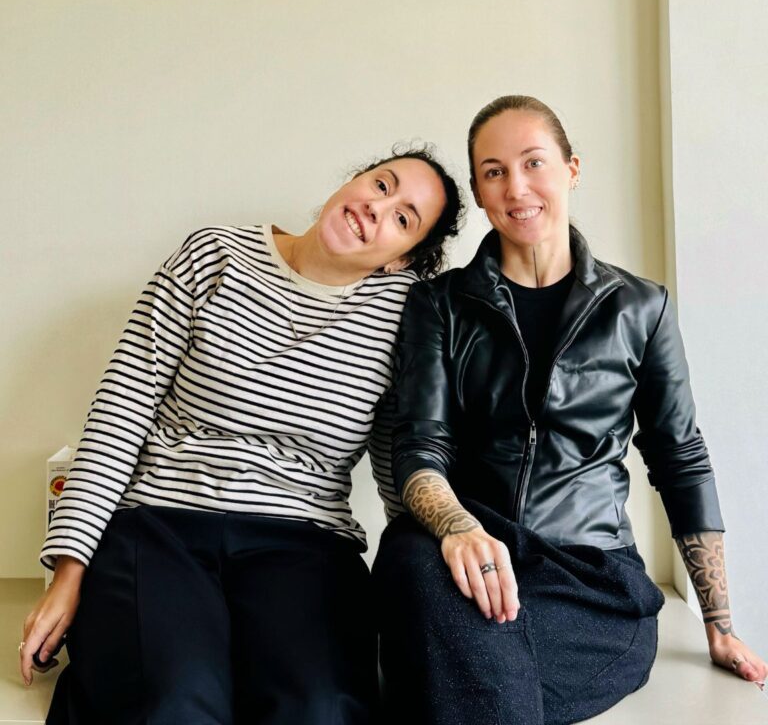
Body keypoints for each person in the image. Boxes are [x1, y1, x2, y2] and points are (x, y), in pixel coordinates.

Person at [20, 147, 463, 725]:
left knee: (318, 711)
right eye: (382, 184)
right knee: (174, 704)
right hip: (161, 525)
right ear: (354, 179)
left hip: (303, 546)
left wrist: (446, 544)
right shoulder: (213, 254)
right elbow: (120, 412)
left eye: (404, 218)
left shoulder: (406, 313)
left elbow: (399, 457)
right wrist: (69, 570)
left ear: (401, 260)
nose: (377, 209)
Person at [373, 96, 767, 725]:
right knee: (414, 565)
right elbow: (420, 444)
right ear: (479, 191)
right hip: (461, 557)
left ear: (571, 169)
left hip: (590, 578)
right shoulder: (439, 305)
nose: (516, 187)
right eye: (494, 171)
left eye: (534, 162)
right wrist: (458, 528)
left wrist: (719, 625)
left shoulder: (642, 308)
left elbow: (680, 457)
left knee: (449, 669)